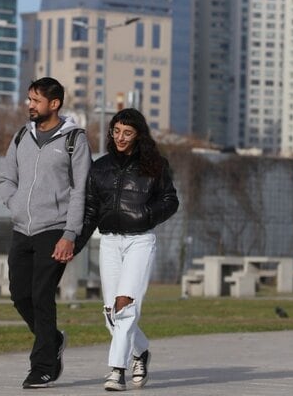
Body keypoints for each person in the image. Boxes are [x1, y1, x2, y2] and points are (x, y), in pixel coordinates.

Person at [0, 77, 91, 389]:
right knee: (19, 294)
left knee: (41, 295)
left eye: (35, 101)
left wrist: (70, 233)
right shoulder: (22, 134)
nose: (29, 105)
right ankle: (53, 339)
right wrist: (14, 205)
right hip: (22, 228)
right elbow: (6, 177)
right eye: (29, 99)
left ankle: (42, 367)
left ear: (54, 104)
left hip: (55, 229)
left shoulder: (74, 140)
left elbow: (80, 192)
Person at [76, 108, 179, 391]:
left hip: (140, 241)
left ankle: (116, 371)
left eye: (128, 133)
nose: (121, 137)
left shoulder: (155, 165)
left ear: (138, 136)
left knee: (125, 307)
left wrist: (146, 215)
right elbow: (91, 211)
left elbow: (171, 200)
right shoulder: (100, 167)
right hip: (109, 241)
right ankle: (140, 351)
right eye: (117, 131)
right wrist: (74, 245)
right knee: (111, 313)